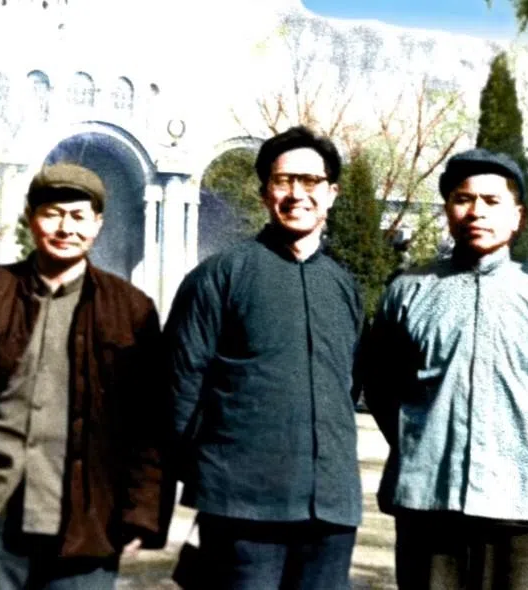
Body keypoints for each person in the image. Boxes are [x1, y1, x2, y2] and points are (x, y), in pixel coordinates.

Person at [0, 162, 173, 589]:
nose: (66, 228)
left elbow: (152, 420)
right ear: (31, 218)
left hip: (91, 518)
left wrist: (140, 511)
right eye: (52, 213)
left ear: (98, 224)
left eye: (79, 216)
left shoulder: (131, 309)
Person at [165, 125, 364, 589]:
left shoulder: (343, 286)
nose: (298, 194)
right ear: (264, 194)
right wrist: (212, 477)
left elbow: (348, 385)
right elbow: (179, 387)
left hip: (331, 508)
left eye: (311, 182)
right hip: (242, 508)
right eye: (283, 181)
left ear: (331, 193)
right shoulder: (219, 277)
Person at [363, 148, 528, 590]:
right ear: (448, 211)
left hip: (519, 500)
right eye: (463, 198)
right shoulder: (409, 292)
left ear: (518, 216)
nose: (477, 211)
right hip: (428, 498)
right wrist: (422, 443)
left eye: (493, 201)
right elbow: (380, 386)